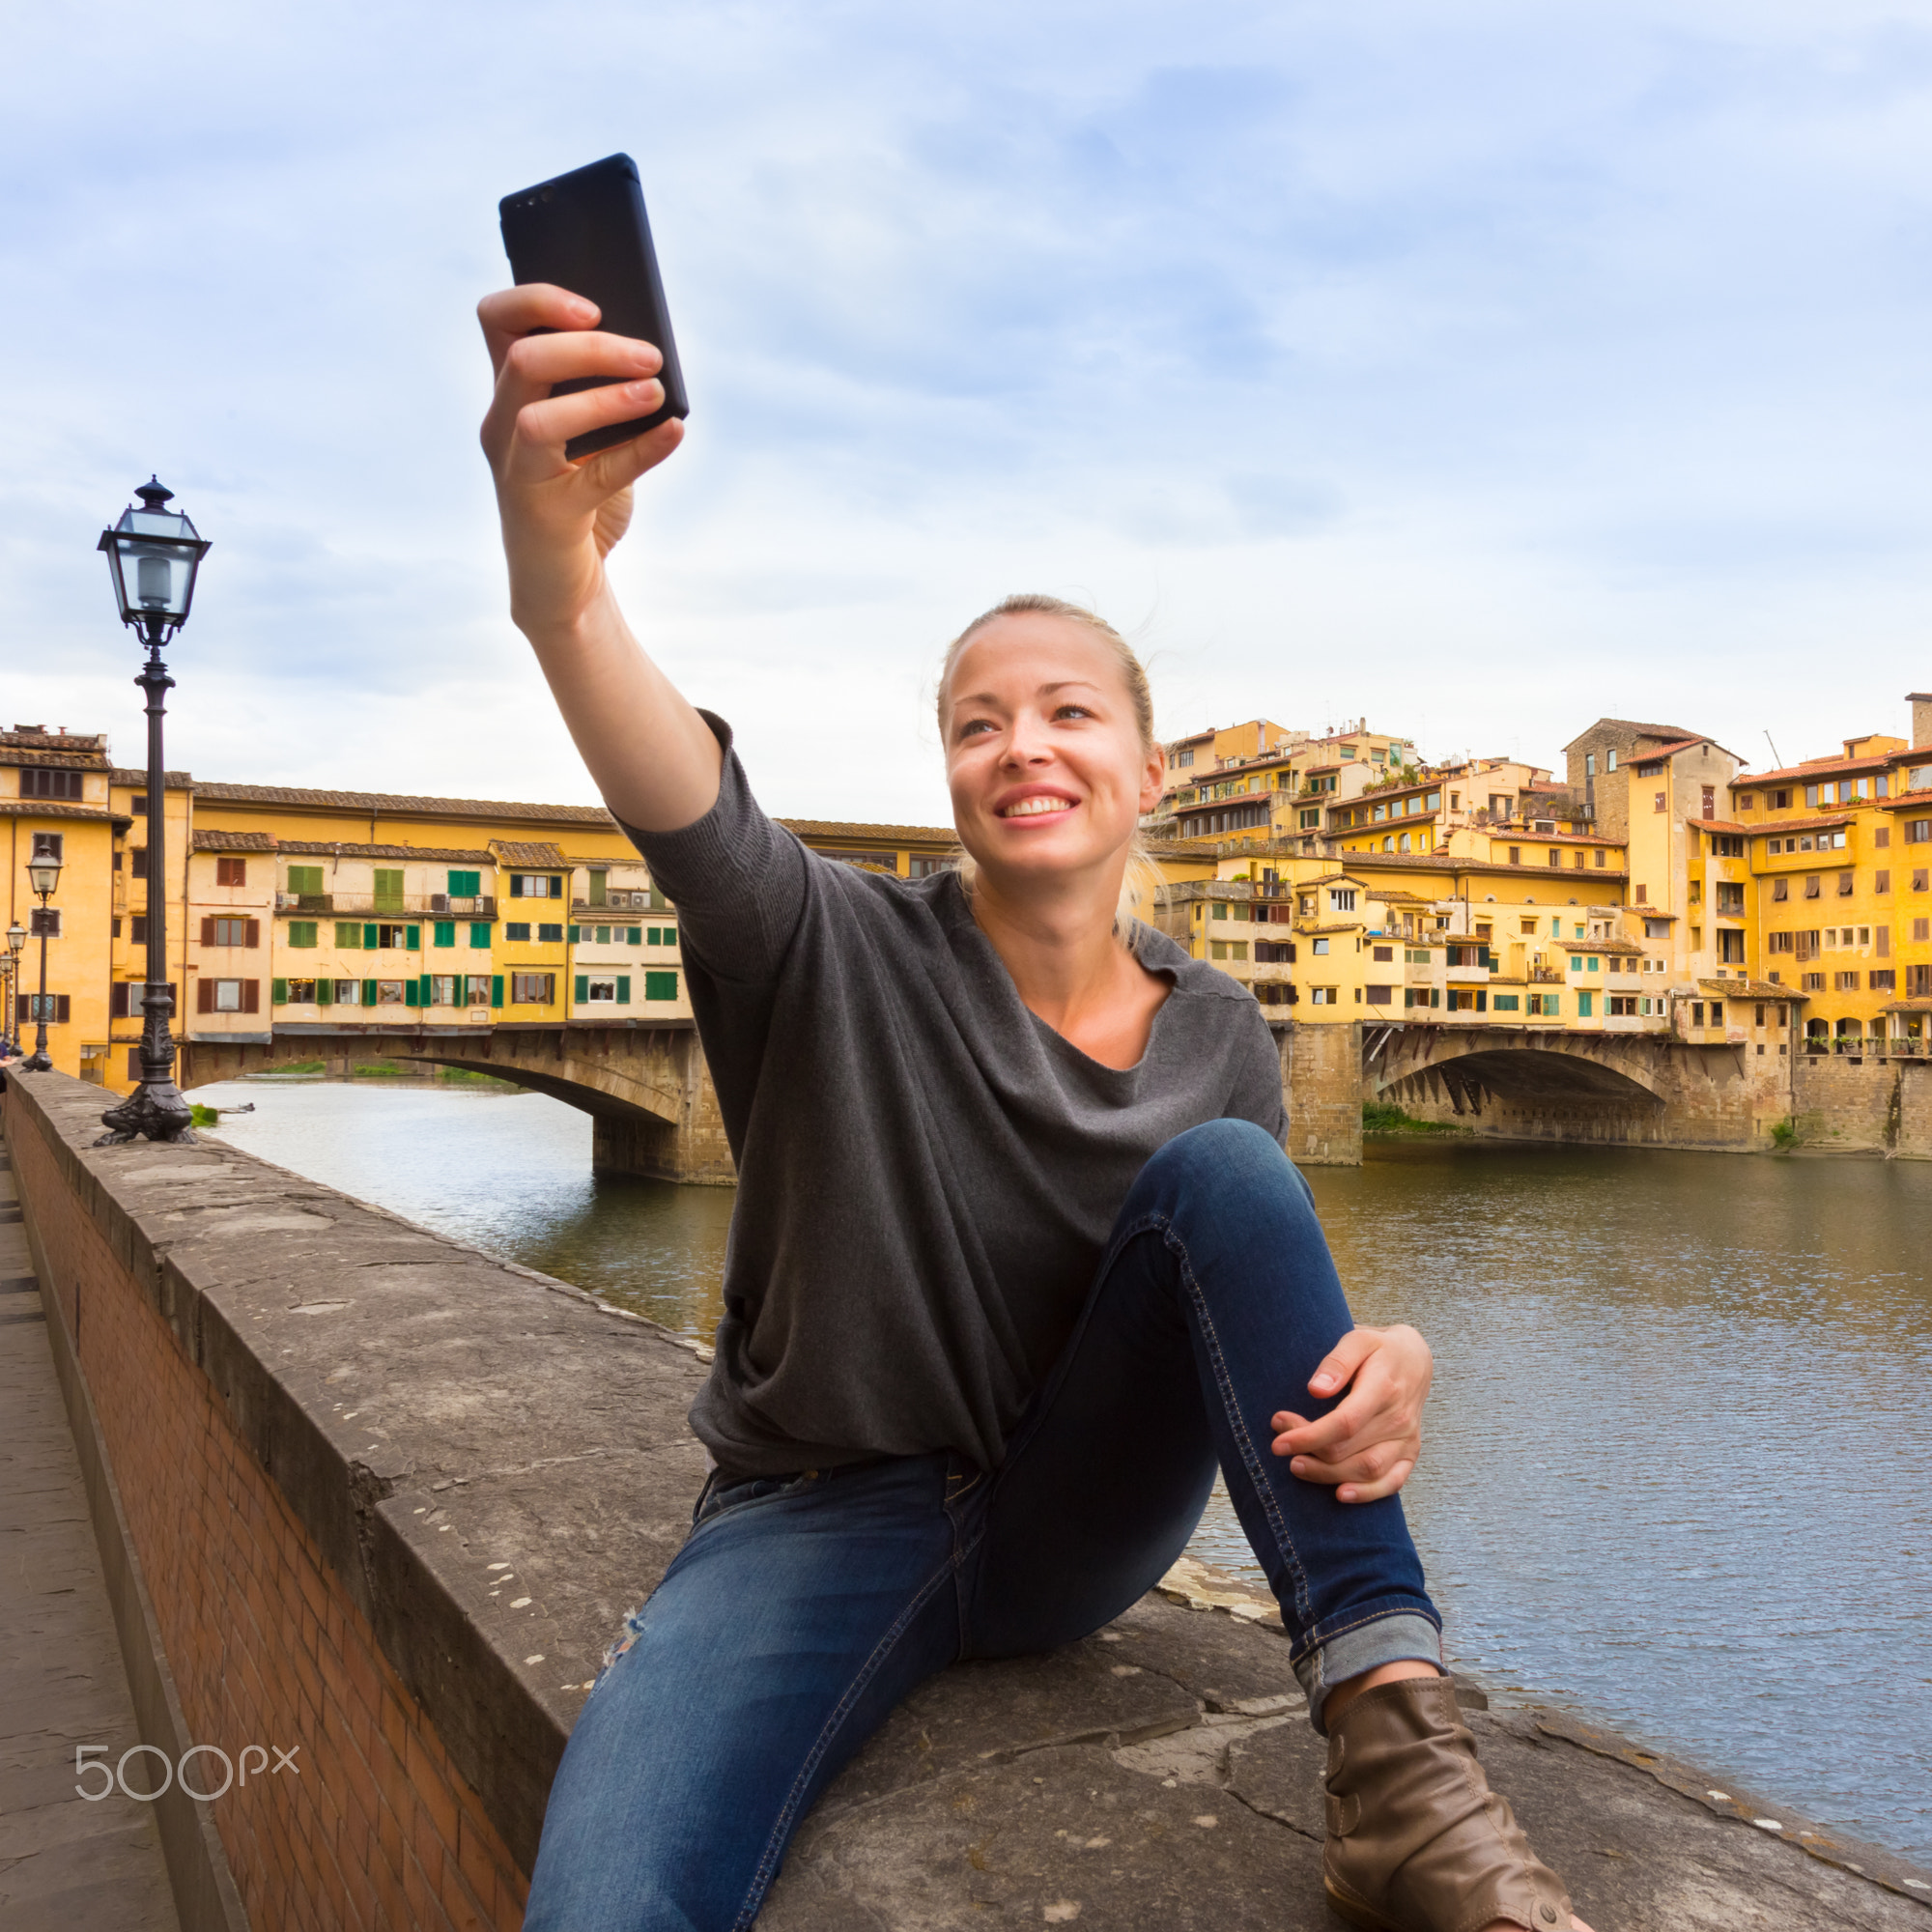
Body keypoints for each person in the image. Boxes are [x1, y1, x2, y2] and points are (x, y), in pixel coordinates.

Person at [476, 283, 1593, 1932]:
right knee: (602, 1903)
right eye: (977, 721)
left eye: (1071, 711)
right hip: (817, 1510)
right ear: (951, 775)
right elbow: (676, 793)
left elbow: (1244, 1291)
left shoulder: (1223, 1029)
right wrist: (561, 579)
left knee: (1222, 1171)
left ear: (1150, 775)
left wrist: (1394, 1359)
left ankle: (1405, 1780)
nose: (1023, 744)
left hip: (1075, 1526)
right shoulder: (825, 940)